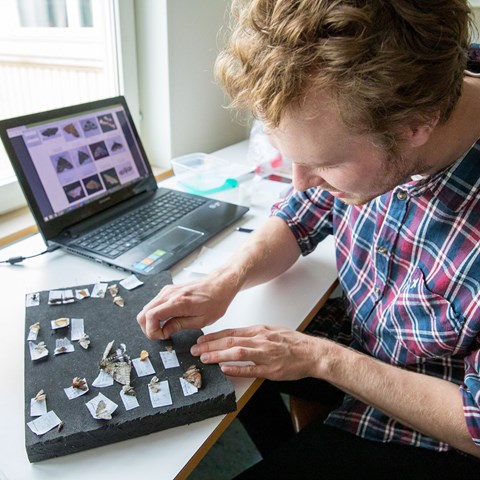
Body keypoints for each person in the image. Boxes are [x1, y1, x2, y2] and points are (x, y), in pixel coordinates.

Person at [137, 0, 480, 477]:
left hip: (443, 421)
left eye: (324, 164)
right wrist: (227, 278)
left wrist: (321, 359)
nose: (300, 185)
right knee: (219, 359)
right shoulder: (379, 110)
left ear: (416, 126)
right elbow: (306, 211)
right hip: (368, 339)